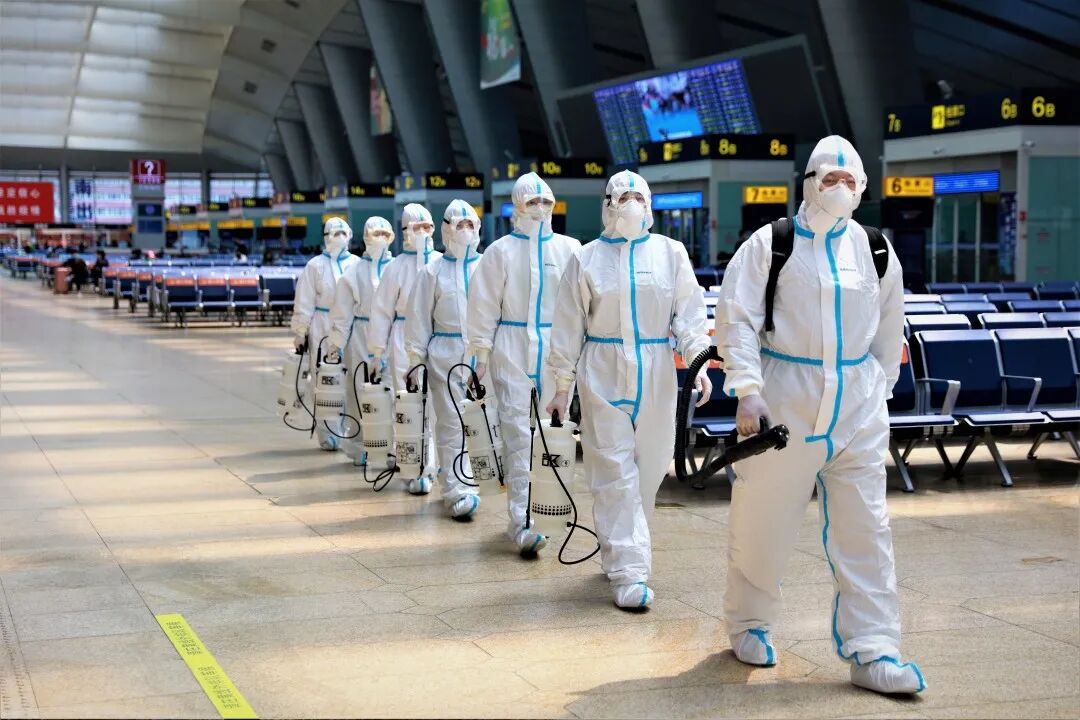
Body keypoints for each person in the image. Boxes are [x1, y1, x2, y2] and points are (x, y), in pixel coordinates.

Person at [714, 135, 922, 694]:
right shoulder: (772, 244)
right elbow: (735, 319)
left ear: (863, 188)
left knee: (867, 528)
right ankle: (749, 622)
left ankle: (874, 647)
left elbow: (890, 328)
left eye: (850, 181)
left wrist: (877, 392)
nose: (840, 188)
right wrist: (748, 389)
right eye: (830, 179)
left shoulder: (876, 250)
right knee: (764, 519)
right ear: (808, 183)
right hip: (786, 401)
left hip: (856, 403)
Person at [547, 170, 712, 609]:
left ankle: (620, 546)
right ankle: (629, 572)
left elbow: (688, 315)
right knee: (613, 471)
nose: (630, 203)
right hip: (602, 372)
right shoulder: (585, 258)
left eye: (638, 196)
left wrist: (697, 361)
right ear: (607, 204)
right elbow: (568, 325)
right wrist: (562, 385)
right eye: (622, 196)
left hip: (657, 371)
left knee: (650, 472)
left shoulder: (670, 253)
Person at [466, 173, 582, 556]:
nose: (540, 209)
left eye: (546, 202)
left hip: (555, 351)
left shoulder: (570, 249)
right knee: (518, 435)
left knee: (552, 436)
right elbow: (483, 306)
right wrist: (480, 356)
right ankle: (522, 521)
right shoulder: (499, 252)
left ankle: (547, 513)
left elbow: (581, 306)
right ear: (517, 205)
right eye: (532, 202)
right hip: (511, 350)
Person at [403, 200, 483, 519]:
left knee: (482, 423)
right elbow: (419, 318)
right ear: (447, 229)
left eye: (470, 224)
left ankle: (478, 479)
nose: (465, 231)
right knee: (451, 422)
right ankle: (458, 489)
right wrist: (415, 360)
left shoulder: (487, 266)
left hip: (482, 354)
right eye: (459, 225)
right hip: (444, 355)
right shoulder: (432, 271)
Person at [368, 204, 441, 495]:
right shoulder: (396, 268)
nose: (422, 232)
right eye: (416, 227)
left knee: (437, 405)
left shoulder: (441, 262)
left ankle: (434, 464)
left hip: (437, 338)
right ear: (405, 232)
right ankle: (412, 467)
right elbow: (381, 312)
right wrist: (376, 352)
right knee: (408, 404)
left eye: (427, 227)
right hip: (403, 338)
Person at [326, 216, 394, 465]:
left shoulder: (396, 268)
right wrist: (336, 344)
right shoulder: (354, 272)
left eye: (385, 234)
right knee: (358, 391)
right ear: (366, 237)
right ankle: (359, 445)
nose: (380, 239)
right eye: (376, 234)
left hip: (392, 334)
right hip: (360, 335)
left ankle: (391, 446)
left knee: (391, 391)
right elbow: (342, 312)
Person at [291, 217, 361, 450]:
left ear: (350, 235)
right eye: (334, 233)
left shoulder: (357, 264)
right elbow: (304, 301)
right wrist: (301, 331)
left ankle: (351, 430)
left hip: (352, 326)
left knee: (351, 378)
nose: (339, 237)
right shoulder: (315, 266)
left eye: (343, 233)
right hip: (322, 325)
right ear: (326, 237)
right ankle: (327, 431)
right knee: (324, 378)